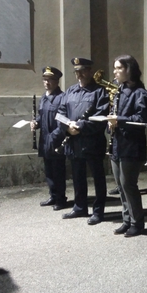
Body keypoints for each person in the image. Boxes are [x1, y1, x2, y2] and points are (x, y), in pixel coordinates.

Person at [58, 58, 110, 225]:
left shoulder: (99, 92)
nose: (79, 75)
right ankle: (80, 207)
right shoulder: (70, 91)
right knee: (77, 176)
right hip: (73, 142)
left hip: (92, 142)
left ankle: (98, 211)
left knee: (97, 178)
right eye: (76, 72)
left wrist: (79, 126)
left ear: (89, 71)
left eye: (82, 71)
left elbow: (101, 118)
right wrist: (67, 127)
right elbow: (60, 113)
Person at [106, 55, 147, 237]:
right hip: (117, 143)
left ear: (129, 69)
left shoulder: (141, 93)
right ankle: (126, 220)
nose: (115, 72)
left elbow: (141, 119)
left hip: (131, 145)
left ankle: (137, 222)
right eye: (115, 68)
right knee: (120, 184)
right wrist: (111, 121)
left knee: (128, 185)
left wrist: (119, 120)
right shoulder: (120, 90)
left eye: (118, 68)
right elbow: (115, 113)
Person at [31, 66, 68, 211]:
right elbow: (41, 116)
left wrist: (54, 137)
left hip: (56, 140)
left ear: (57, 81)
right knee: (49, 171)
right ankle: (53, 195)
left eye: (50, 80)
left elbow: (63, 121)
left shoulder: (62, 98)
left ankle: (61, 199)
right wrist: (36, 123)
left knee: (58, 171)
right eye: (45, 80)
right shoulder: (44, 98)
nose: (47, 82)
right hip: (44, 140)